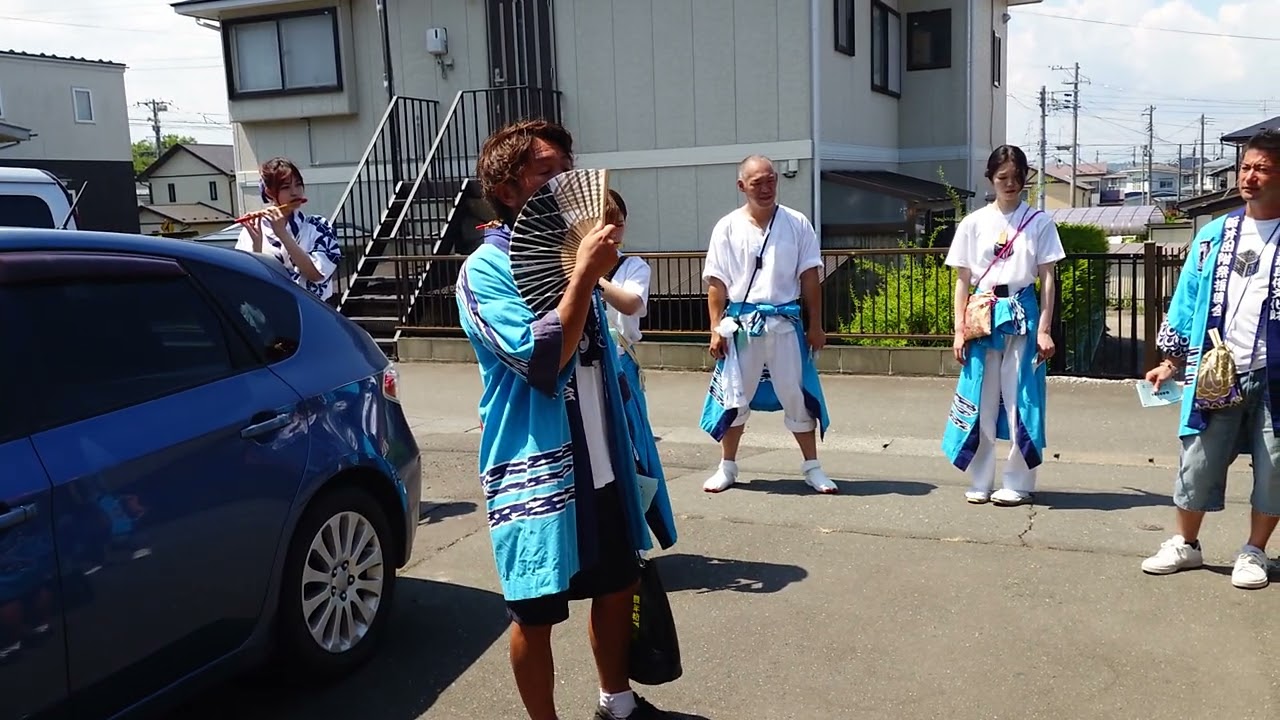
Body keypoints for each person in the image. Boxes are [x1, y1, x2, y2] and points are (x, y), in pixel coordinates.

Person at [454, 119, 678, 720]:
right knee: (536, 609)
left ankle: (617, 703)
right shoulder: (484, 270)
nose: (565, 184)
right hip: (535, 461)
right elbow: (539, 359)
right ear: (508, 190)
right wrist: (583, 276)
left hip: (602, 451)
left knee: (618, 582)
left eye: (567, 170)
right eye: (546, 172)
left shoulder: (571, 255)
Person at [1140, 129, 1280, 589]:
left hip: (1274, 374)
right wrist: (1171, 361)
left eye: (1262, 168)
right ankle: (1186, 543)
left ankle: (1255, 551)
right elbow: (1187, 298)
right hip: (1217, 370)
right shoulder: (1214, 234)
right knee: (1197, 460)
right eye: (1245, 167)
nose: (1249, 176)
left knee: (1275, 467)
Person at [698, 154, 836, 494]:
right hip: (742, 325)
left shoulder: (797, 223)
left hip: (785, 322)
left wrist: (815, 325)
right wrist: (715, 328)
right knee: (735, 394)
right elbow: (716, 283)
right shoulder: (727, 227)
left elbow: (809, 276)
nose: (765, 188)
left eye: (770, 180)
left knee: (796, 393)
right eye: (757, 182)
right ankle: (727, 466)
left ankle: (812, 466)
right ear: (741, 186)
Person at [941, 144, 1065, 507]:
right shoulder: (973, 223)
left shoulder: (1040, 222)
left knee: (1021, 398)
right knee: (981, 397)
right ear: (991, 180)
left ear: (1025, 178)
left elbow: (1047, 279)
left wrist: (1044, 329)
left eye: (1016, 177)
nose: (1010, 184)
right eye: (1002, 178)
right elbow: (962, 280)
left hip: (1023, 314)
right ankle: (980, 478)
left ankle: (1019, 481)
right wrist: (958, 330)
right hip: (983, 316)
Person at [595, 190, 666, 493]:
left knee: (631, 433)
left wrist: (593, 278)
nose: (613, 232)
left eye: (619, 224)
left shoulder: (634, 266)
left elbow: (632, 304)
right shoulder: (569, 267)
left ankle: (636, 497)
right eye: (605, 224)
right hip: (585, 363)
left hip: (621, 359)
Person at [235, 156, 342, 305]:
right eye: (286, 187)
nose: (295, 192)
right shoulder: (251, 231)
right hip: (272, 311)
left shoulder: (318, 226)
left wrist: (282, 234)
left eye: (298, 185)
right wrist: (256, 246)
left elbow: (316, 275)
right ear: (269, 192)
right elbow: (249, 282)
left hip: (313, 310)